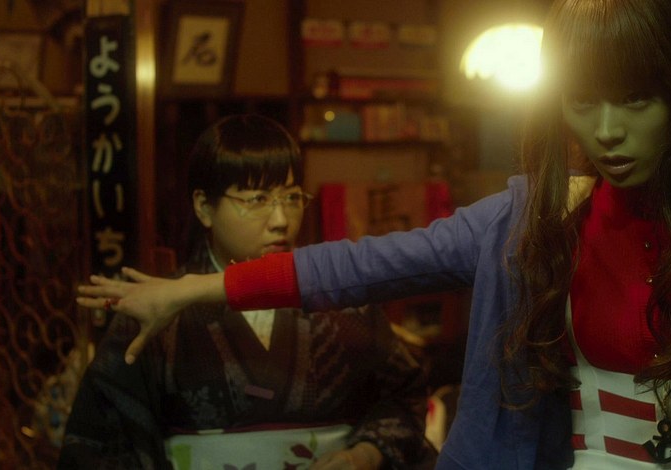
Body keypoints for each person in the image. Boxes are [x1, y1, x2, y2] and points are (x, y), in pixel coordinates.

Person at [77, 1, 671, 468]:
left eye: (637, 100)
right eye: (583, 102)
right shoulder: (536, 218)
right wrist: (195, 290)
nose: (607, 131)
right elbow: (366, 265)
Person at [61, 114, 437, 469]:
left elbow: (404, 396)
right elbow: (101, 444)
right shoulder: (160, 313)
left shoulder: (343, 305)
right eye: (257, 200)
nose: (281, 220)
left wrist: (364, 455)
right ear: (204, 207)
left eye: (292, 198)